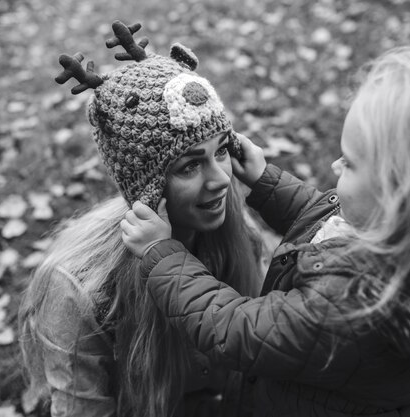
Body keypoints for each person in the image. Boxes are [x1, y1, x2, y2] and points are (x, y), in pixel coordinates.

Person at [120, 45, 410, 416]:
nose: (333, 164)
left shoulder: (354, 308)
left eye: (350, 162)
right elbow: (324, 224)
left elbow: (235, 330)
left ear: (400, 198)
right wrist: (266, 182)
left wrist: (162, 253)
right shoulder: (408, 239)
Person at [18, 21, 263, 417]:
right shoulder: (80, 290)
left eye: (221, 152)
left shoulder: (238, 235)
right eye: (189, 166)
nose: (222, 180)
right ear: (145, 187)